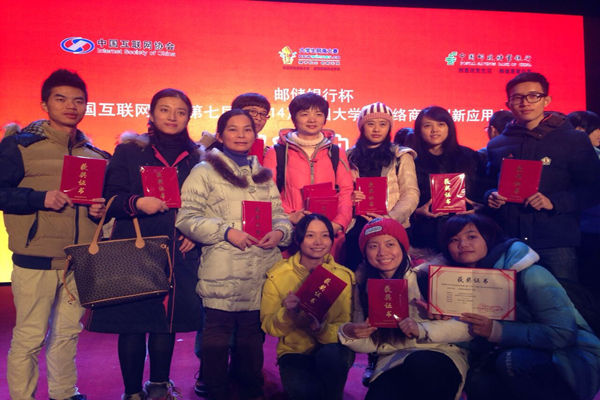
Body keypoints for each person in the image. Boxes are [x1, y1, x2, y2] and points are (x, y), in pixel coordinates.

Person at [86, 88, 203, 400]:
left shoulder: (198, 158)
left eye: (180, 112)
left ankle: (160, 387)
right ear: (151, 114)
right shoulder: (129, 151)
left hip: (177, 250)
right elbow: (108, 198)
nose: (172, 117)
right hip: (134, 246)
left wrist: (195, 232)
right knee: (133, 323)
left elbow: (205, 205)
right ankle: (132, 392)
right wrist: (137, 202)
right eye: (165, 110)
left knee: (166, 322)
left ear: (188, 118)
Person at [0, 69, 109, 400]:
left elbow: (102, 208)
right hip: (37, 259)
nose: (71, 106)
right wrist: (38, 198)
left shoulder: (95, 155)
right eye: (61, 99)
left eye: (79, 100)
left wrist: (100, 212)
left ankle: (64, 392)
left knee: (67, 333)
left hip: (79, 260)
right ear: (45, 104)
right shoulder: (19, 146)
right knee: (30, 336)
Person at [176, 109, 293, 400]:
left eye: (247, 129)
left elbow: (279, 214)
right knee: (217, 335)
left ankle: (250, 388)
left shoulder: (263, 175)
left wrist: (280, 232)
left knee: (252, 335)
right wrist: (227, 232)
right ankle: (216, 389)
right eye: (232, 129)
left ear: (255, 135)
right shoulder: (204, 171)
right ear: (220, 135)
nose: (241, 135)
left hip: (260, 266)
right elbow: (186, 218)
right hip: (222, 266)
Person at [439, 214, 600, 400]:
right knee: (478, 380)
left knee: (512, 362)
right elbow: (481, 339)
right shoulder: (456, 283)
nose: (463, 244)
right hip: (514, 349)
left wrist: (497, 331)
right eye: (454, 239)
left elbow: (563, 334)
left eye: (471, 236)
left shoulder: (531, 274)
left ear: (488, 238)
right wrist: (445, 320)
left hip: (569, 355)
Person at [338, 218, 472, 400]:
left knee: (420, 364)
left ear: (402, 246)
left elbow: (466, 328)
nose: (382, 252)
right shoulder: (364, 286)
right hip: (391, 359)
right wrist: (350, 333)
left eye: (390, 244)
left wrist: (422, 328)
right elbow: (372, 345)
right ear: (365, 252)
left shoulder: (431, 276)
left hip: (441, 353)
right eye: (373, 246)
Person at [485, 72, 600, 281]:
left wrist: (553, 202)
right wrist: (490, 196)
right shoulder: (497, 144)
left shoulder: (573, 139)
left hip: (555, 241)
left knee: (562, 298)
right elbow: (487, 185)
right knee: (511, 299)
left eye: (533, 96)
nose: (525, 102)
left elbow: (593, 189)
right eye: (517, 97)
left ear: (546, 100)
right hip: (509, 241)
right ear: (508, 104)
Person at [260, 214, 355, 400]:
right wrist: (288, 314)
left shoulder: (344, 276)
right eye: (310, 235)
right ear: (298, 239)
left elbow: (346, 324)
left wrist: (322, 329)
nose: (318, 242)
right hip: (295, 351)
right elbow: (269, 326)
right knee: (305, 393)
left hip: (332, 347)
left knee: (331, 358)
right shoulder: (278, 275)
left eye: (325, 235)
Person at [263, 92, 354, 260]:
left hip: (329, 233)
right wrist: (289, 216)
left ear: (325, 119)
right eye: (305, 114)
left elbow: (346, 191)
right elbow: (267, 191)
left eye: (318, 114)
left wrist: (338, 223)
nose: (312, 119)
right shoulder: (276, 152)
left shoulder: (336, 152)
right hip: (292, 231)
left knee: (327, 275)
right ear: (294, 118)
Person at [345, 103, 419, 270]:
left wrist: (390, 218)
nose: (376, 129)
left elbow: (410, 193)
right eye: (370, 124)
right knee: (355, 273)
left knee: (390, 274)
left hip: (392, 223)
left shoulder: (401, 155)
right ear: (361, 127)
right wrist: (350, 199)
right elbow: (341, 190)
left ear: (389, 127)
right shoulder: (348, 156)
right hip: (356, 224)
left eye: (383, 124)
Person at [410, 105, 486, 251]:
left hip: (466, 233)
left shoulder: (470, 157)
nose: (435, 130)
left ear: (449, 127)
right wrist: (417, 213)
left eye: (440, 124)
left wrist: (480, 208)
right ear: (419, 130)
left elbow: (485, 191)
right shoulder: (412, 162)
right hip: (426, 236)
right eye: (427, 126)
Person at [199, 93, 271, 153]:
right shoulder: (205, 147)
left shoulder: (265, 151)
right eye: (252, 111)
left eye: (263, 114)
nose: (258, 118)